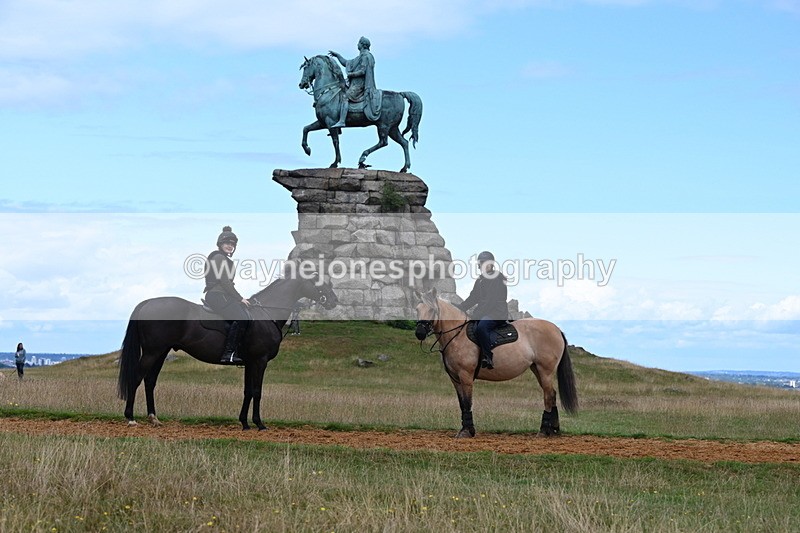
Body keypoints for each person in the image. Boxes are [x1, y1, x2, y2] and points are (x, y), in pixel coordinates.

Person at [204, 226, 250, 364]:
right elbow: (225, 282)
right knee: (242, 318)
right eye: (227, 243)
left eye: (232, 244)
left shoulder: (223, 258)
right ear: (220, 244)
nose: (230, 246)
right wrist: (240, 298)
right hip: (217, 295)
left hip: (222, 295)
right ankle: (228, 353)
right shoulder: (219, 257)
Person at [457, 251, 508, 370]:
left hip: (496, 313)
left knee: (482, 327)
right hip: (486, 312)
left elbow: (491, 300)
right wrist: (461, 307)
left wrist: (477, 314)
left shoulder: (496, 278)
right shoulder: (480, 280)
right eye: (482, 263)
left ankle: (488, 356)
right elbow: (473, 297)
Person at [328, 36, 381, 126]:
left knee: (345, 97)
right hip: (355, 84)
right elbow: (346, 63)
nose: (357, 45)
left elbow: (363, 71)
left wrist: (351, 74)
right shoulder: (360, 57)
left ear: (362, 45)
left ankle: (342, 121)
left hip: (360, 85)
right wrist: (338, 55)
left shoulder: (366, 56)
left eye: (358, 43)